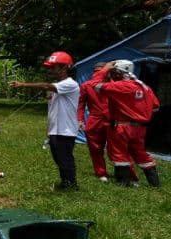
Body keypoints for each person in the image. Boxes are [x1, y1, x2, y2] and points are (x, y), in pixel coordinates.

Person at [9, 51, 80, 190]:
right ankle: (65, 183)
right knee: (59, 159)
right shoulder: (58, 86)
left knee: (65, 159)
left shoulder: (70, 84)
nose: (50, 70)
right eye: (49, 67)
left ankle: (71, 185)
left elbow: (47, 86)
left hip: (65, 130)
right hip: (56, 129)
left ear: (65, 68)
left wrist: (23, 85)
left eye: (53, 67)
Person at [96, 59, 161, 188]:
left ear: (121, 72)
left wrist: (104, 70)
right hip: (139, 129)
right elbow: (155, 107)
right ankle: (155, 184)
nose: (112, 75)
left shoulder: (120, 86)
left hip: (122, 127)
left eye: (114, 72)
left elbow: (96, 86)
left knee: (119, 154)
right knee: (141, 154)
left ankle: (124, 184)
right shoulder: (145, 87)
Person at [78, 61, 112, 182]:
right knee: (96, 148)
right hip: (98, 119)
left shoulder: (113, 85)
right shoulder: (86, 86)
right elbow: (81, 104)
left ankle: (121, 173)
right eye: (96, 72)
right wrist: (80, 119)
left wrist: (81, 120)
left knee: (114, 149)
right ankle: (102, 173)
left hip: (110, 120)